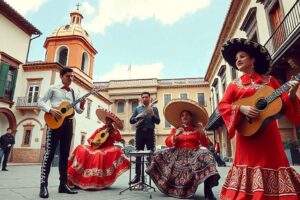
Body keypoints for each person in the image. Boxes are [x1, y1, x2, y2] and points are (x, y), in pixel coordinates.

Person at [218, 38, 300, 199]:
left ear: (253, 59)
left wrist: (291, 94)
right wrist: (242, 108)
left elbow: (282, 102)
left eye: (242, 56)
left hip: (268, 134)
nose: (238, 60)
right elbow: (223, 106)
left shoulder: (271, 81)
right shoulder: (234, 85)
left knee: (273, 164)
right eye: (236, 59)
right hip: (247, 134)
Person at [146, 99, 220, 199]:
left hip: (194, 155)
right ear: (180, 119)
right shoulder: (176, 129)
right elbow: (168, 143)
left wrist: (202, 131)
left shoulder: (197, 129)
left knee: (206, 155)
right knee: (158, 154)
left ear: (191, 117)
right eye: (182, 115)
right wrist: (176, 135)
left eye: (187, 115)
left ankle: (208, 190)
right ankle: (170, 186)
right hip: (178, 155)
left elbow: (205, 144)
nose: (184, 117)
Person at [38, 67, 86, 198]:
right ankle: (43, 185)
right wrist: (50, 110)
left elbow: (78, 110)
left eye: (72, 77)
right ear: (61, 76)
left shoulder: (73, 92)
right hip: (54, 123)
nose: (71, 79)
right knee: (49, 154)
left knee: (65, 155)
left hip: (69, 124)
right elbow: (40, 101)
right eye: (68, 76)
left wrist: (81, 105)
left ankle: (63, 185)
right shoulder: (53, 88)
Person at [67, 108, 130, 189]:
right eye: (106, 120)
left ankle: (96, 182)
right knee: (80, 148)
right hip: (95, 147)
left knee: (99, 155)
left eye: (109, 121)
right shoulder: (100, 129)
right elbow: (90, 139)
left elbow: (118, 139)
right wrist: (93, 142)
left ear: (112, 122)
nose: (107, 122)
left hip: (106, 148)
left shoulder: (114, 131)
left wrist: (114, 130)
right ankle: (75, 178)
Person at [129, 92, 160, 184]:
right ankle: (138, 176)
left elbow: (158, 121)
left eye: (146, 97)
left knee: (151, 154)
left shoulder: (154, 108)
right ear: (141, 99)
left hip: (150, 132)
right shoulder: (137, 109)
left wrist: (152, 115)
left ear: (150, 98)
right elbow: (131, 120)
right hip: (140, 133)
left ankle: (153, 176)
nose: (144, 98)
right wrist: (137, 117)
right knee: (138, 155)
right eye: (143, 97)